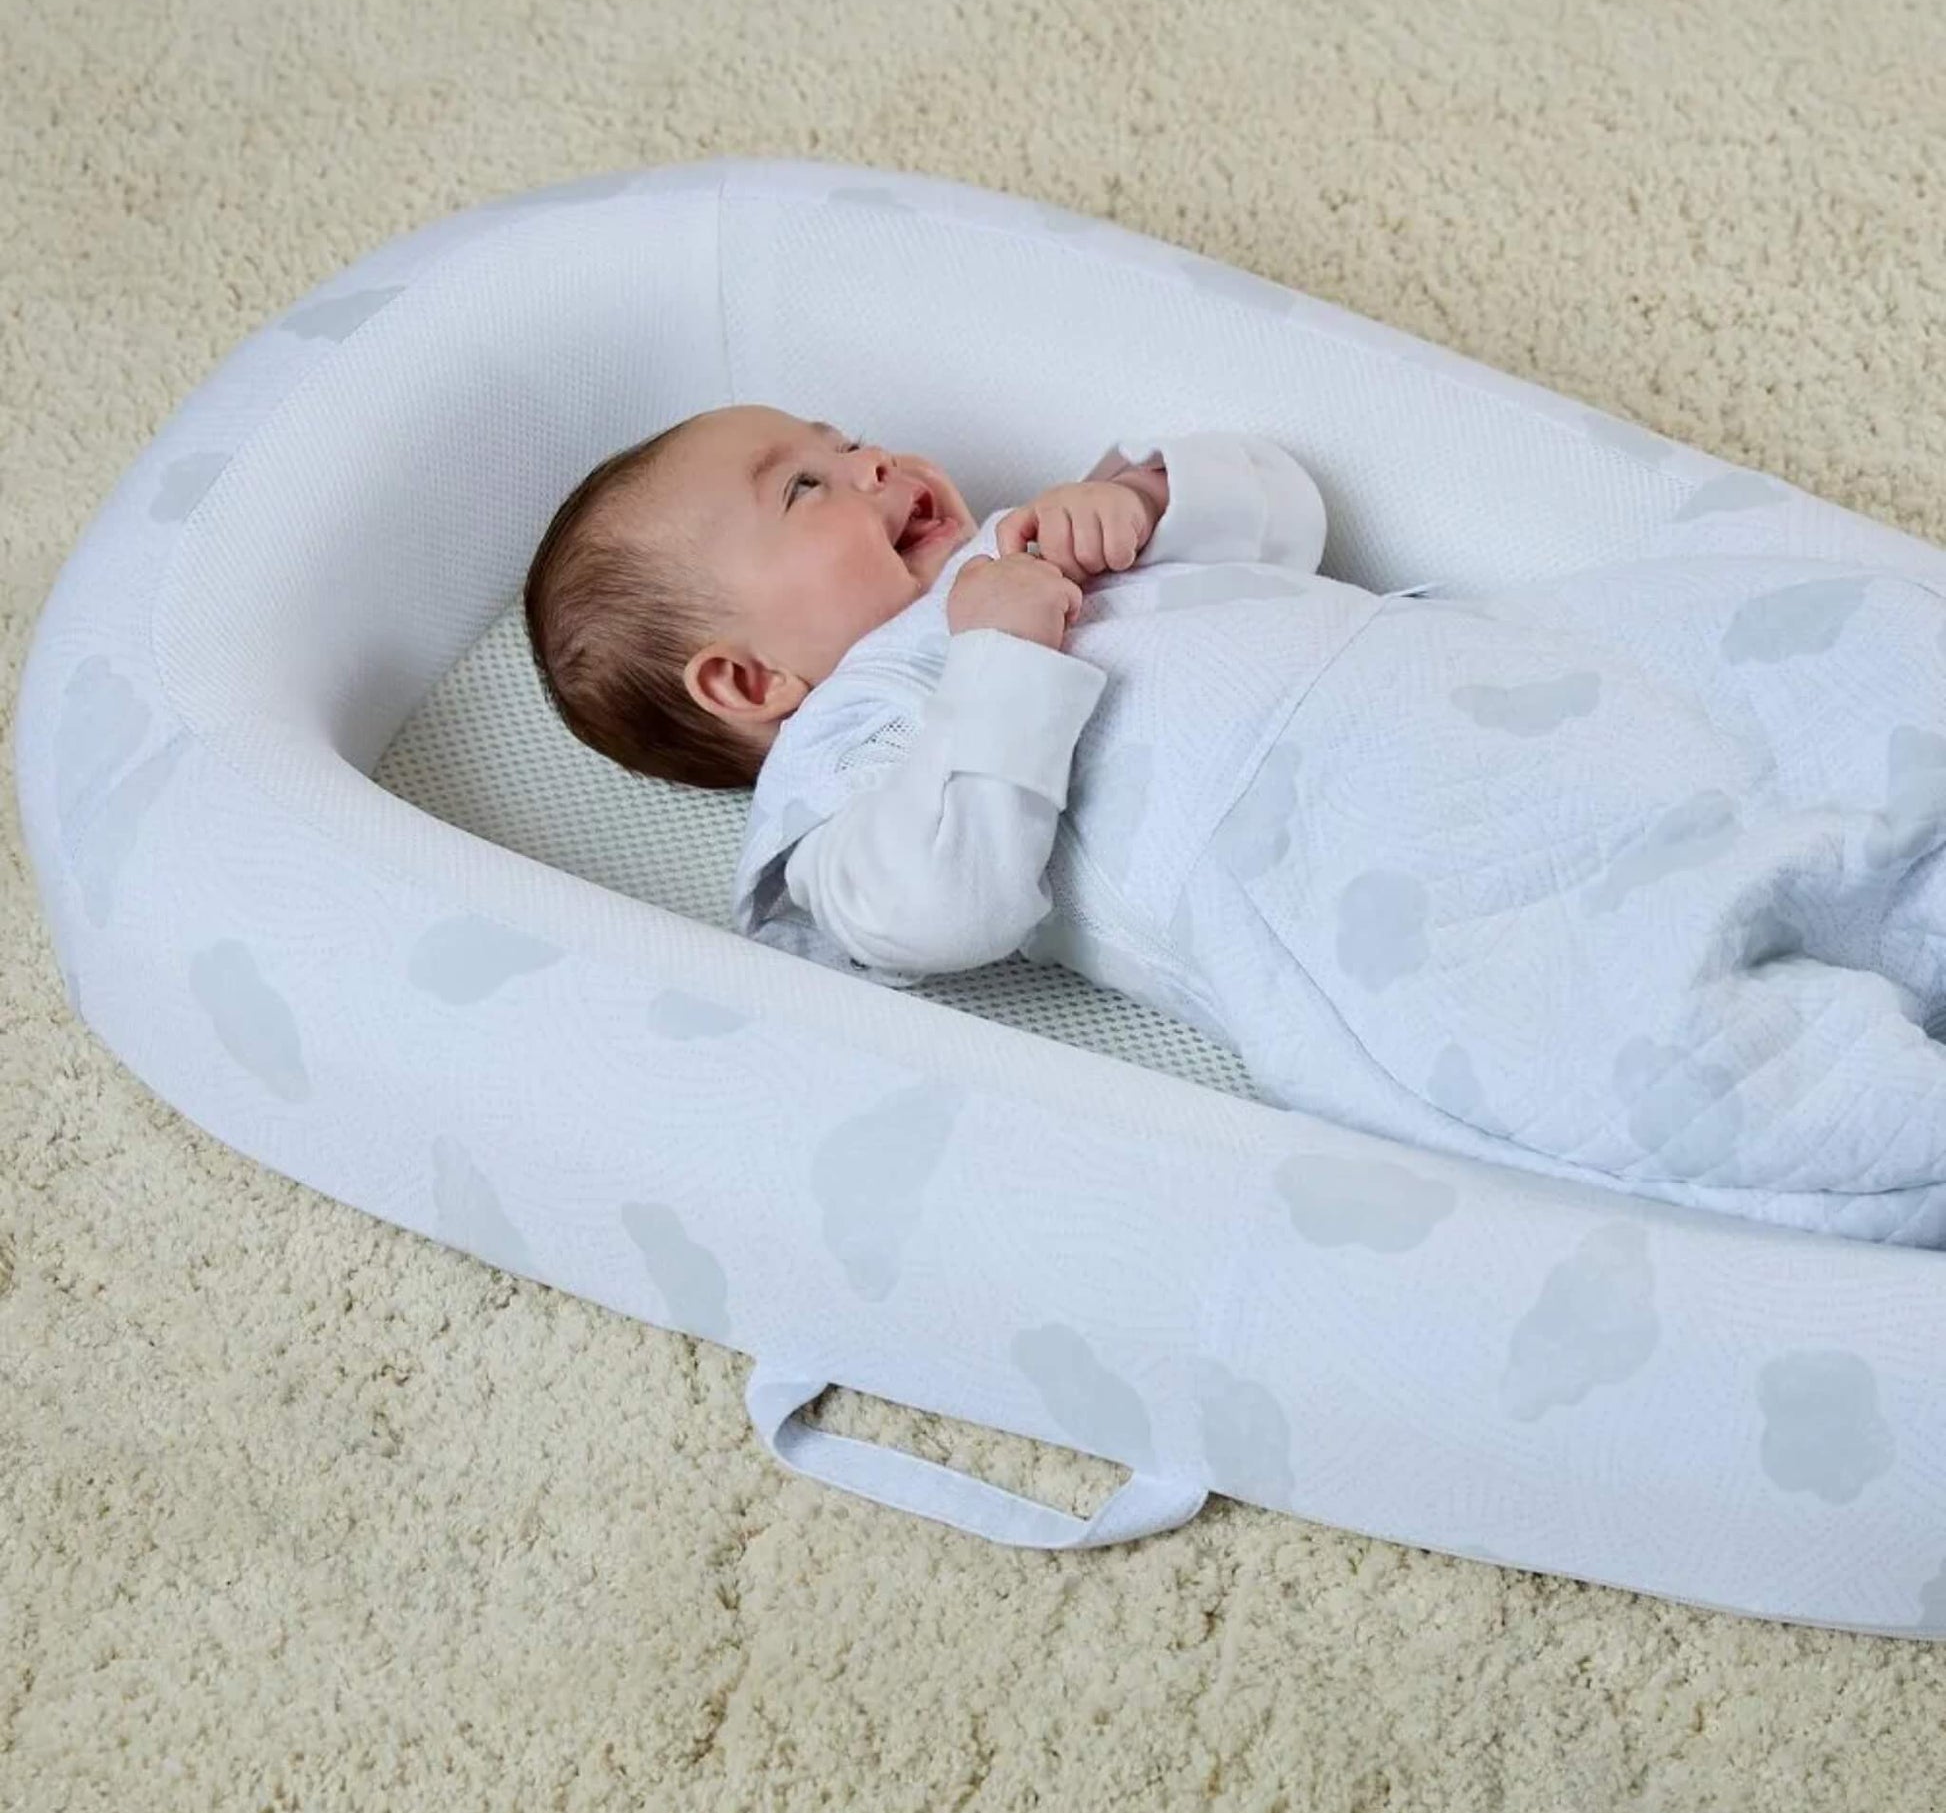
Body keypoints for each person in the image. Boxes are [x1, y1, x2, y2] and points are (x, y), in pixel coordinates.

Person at [525, 405, 1946, 1244]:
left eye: (847, 439)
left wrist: (1141, 496)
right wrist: (996, 660)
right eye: (806, 488)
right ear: (746, 681)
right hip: (1362, 868)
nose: (873, 463)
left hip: (1507, 685)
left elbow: (1286, 515)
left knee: (1794, 687)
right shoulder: (846, 759)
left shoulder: (1016, 540)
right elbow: (933, 909)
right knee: (1604, 1030)